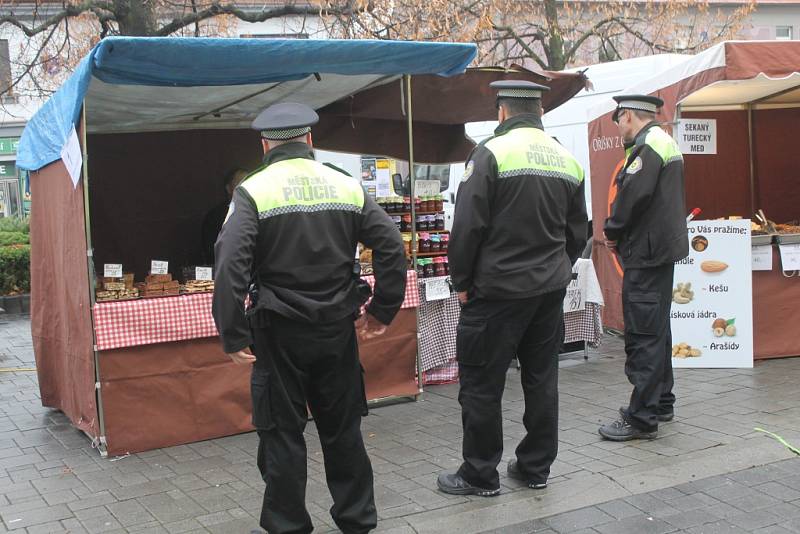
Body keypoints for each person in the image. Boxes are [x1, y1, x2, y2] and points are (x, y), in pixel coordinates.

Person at [212, 102, 407, 534]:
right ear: (310, 141)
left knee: (281, 432)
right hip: (337, 330)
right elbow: (392, 245)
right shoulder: (344, 185)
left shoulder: (253, 191)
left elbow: (230, 266)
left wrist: (232, 332)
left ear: (265, 145)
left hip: (278, 332)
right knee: (343, 430)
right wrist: (382, 310)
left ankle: (288, 525)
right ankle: (357, 519)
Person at [437, 80, 588, 497]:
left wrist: (462, 283)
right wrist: (558, 267)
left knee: (483, 384)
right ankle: (535, 468)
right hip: (547, 292)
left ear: (502, 110)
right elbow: (578, 231)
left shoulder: (490, 154)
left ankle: (480, 474)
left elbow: (467, 227)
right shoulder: (565, 158)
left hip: (497, 293)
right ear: (538, 110)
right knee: (541, 380)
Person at [600, 94, 689, 441]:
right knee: (658, 330)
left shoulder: (648, 145)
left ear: (628, 117)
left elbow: (632, 198)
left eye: (619, 120)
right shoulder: (663, 142)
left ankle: (641, 418)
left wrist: (612, 230)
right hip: (660, 253)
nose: (620, 128)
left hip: (646, 254)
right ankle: (661, 401)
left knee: (644, 336)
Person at [201, 168, 248, 265]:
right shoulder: (215, 216)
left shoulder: (261, 209)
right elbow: (212, 250)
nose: (245, 187)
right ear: (228, 188)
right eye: (240, 183)